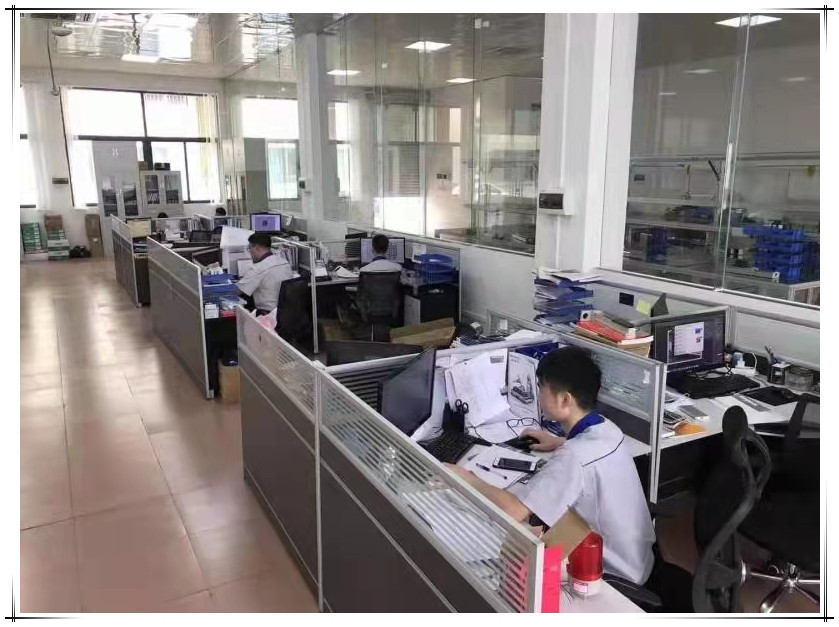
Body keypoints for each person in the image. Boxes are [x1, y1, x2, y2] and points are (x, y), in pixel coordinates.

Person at [447, 346, 656, 585]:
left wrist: (465, 477)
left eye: (541, 388)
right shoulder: (607, 427)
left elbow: (513, 511)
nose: (538, 394)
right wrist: (558, 441)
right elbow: (589, 454)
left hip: (611, 574)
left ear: (565, 399)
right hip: (638, 557)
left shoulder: (573, 458)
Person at [236, 232, 292, 316]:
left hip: (267, 315)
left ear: (256, 248)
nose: (250, 252)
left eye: (249, 248)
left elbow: (238, 290)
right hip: (286, 314)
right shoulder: (284, 262)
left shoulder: (259, 268)